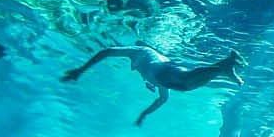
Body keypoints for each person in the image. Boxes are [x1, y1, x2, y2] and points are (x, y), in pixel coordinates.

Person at [62, 46, 245, 125]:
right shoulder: (150, 75)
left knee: (185, 80)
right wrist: (144, 114)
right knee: (186, 86)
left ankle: (224, 66)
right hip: (164, 73)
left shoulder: (140, 51)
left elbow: (107, 51)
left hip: (164, 69)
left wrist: (80, 70)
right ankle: (224, 66)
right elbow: (162, 99)